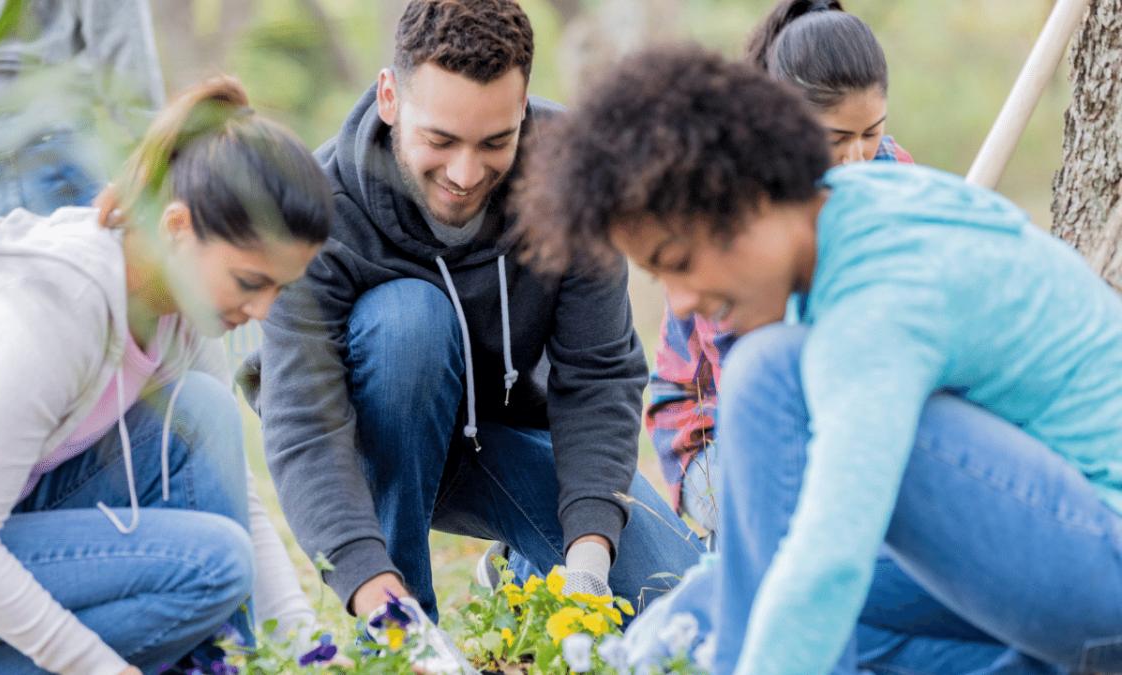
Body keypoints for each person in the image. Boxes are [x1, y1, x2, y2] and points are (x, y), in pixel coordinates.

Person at [514, 45, 1122, 673]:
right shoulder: (845, 217)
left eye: (681, 262)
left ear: (749, 198)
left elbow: (829, 552)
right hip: (1058, 575)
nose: (685, 301)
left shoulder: (877, 300)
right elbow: (769, 556)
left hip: (1104, 571)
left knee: (767, 382)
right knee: (777, 604)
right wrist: (682, 628)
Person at [243, 0, 702, 639]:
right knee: (409, 321)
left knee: (677, 599)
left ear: (522, 110)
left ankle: (520, 578)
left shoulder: (569, 175)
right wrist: (372, 591)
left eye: (495, 142)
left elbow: (597, 375)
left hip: (513, 439)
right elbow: (304, 427)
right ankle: (403, 637)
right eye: (441, 140)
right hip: (380, 442)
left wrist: (590, 558)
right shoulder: (320, 213)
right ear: (389, 96)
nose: (465, 174)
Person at [0, 76, 331, 674]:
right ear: (176, 228)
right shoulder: (58, 310)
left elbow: (231, 485)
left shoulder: (180, 305)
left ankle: (233, 665)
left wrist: (307, 651)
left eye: (279, 288)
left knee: (203, 413)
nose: (262, 310)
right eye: (250, 282)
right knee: (211, 565)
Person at [648, 0, 912, 535]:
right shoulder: (734, 210)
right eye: (836, 139)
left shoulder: (891, 173)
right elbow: (756, 392)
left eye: (871, 132)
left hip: (843, 409)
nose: (858, 158)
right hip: (720, 433)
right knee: (803, 511)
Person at [0, 0, 165, 216]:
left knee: (10, 260)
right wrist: (155, 142)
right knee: (74, 257)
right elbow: (116, 31)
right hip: (42, 119)